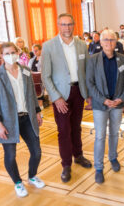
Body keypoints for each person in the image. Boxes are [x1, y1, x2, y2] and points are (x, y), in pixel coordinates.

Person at [0, 42, 44, 197]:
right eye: (7, 53)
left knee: (37, 151)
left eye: (13, 52)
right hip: (7, 121)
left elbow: (32, 93)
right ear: (1, 56)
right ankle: (18, 182)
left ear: (18, 53)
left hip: (27, 117)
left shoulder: (25, 70)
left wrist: (37, 111)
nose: (11, 55)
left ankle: (32, 176)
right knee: (11, 155)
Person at [41, 13, 92, 183]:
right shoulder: (48, 46)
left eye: (70, 24)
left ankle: (78, 155)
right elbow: (45, 76)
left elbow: (85, 72)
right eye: (63, 24)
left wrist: (88, 94)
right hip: (61, 95)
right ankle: (66, 165)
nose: (67, 28)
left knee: (76, 127)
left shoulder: (81, 45)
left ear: (74, 25)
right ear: (58, 25)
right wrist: (55, 98)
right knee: (64, 130)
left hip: (79, 92)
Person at [86, 29, 124, 184]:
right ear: (101, 42)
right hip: (100, 104)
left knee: (114, 133)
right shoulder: (93, 60)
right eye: (105, 40)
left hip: (117, 104)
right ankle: (99, 167)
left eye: (112, 40)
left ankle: (113, 158)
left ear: (116, 42)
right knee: (100, 136)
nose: (108, 43)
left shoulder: (123, 59)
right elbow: (89, 83)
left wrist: (121, 98)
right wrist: (103, 100)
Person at [28, 44, 44, 110]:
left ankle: (41, 106)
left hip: (41, 79)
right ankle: (36, 109)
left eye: (36, 51)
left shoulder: (44, 58)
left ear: (41, 50)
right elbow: (28, 69)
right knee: (34, 94)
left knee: (40, 93)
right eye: (33, 51)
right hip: (33, 79)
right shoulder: (32, 60)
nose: (35, 52)